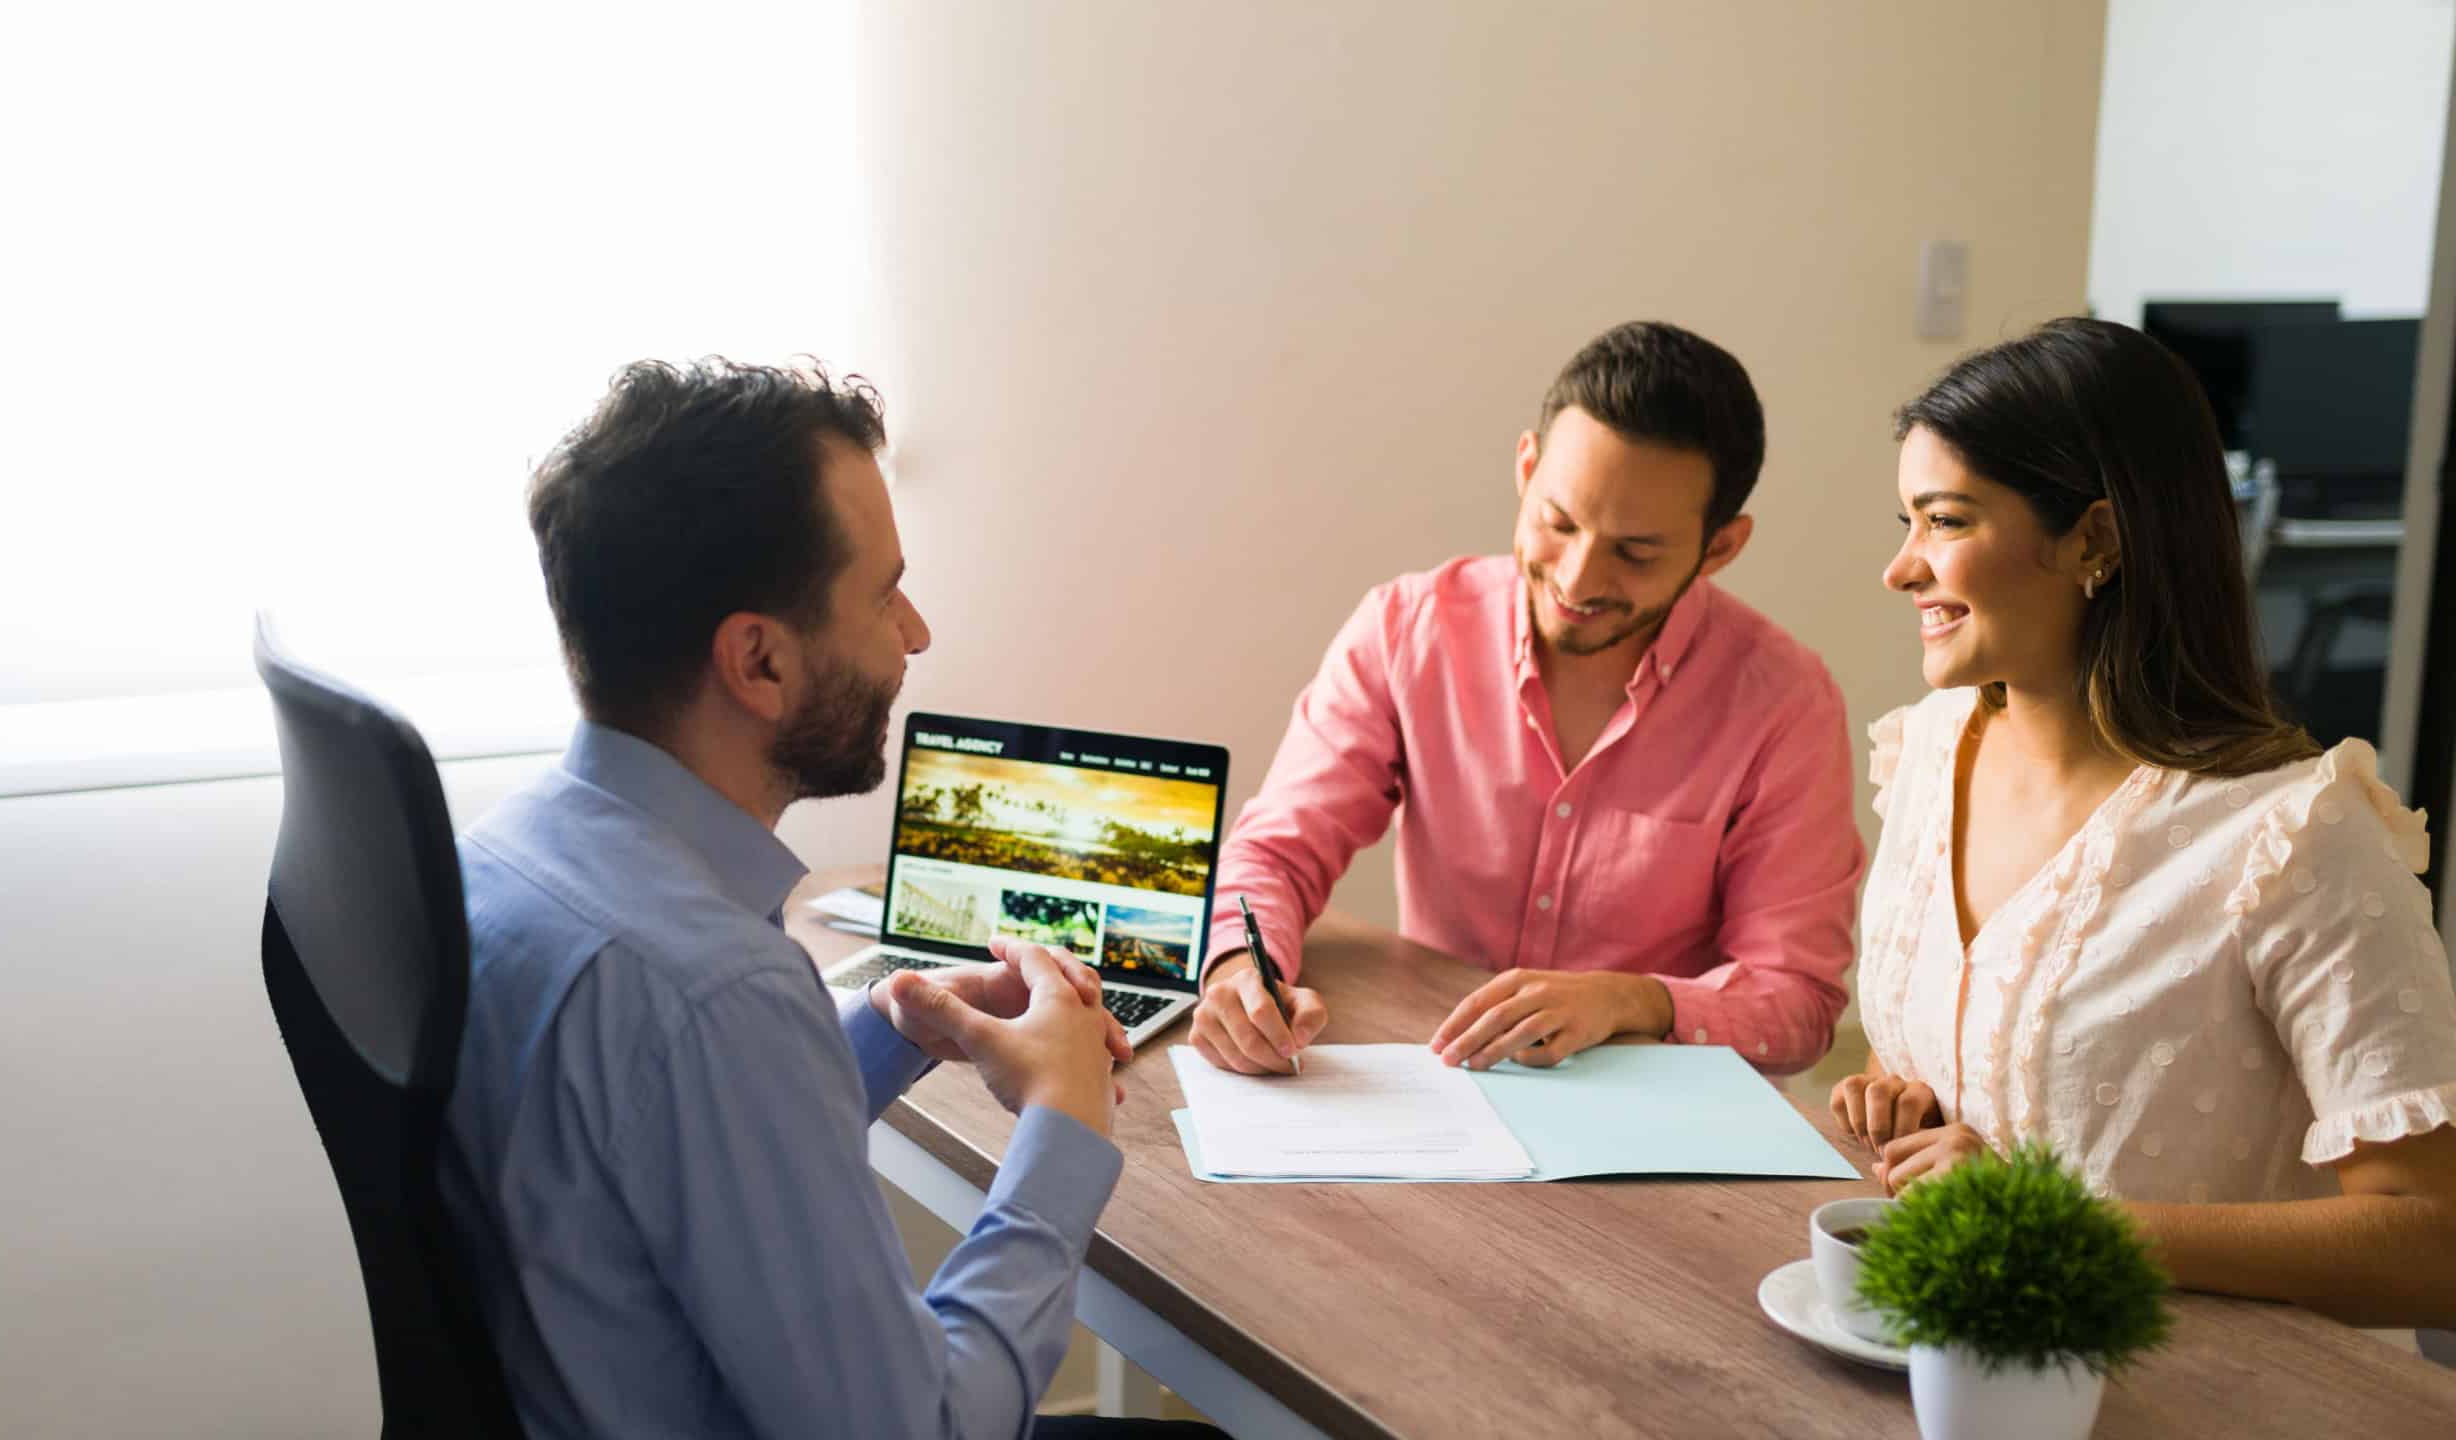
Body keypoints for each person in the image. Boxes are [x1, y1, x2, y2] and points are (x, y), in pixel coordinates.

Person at [439, 358, 1222, 1436]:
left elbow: (676, 1145)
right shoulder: (713, 993)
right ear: (757, 660)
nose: (915, 633)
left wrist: (897, 1025)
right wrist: (1064, 1121)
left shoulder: (510, 857)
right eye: (881, 591)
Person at [1833, 317, 2456, 1326]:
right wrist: (1893, 1088)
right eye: (1906, 521)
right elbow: (1989, 1042)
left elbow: (2435, 1243)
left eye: (1945, 521)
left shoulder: (2293, 837)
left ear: (2094, 537)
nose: (1901, 568)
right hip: (1944, 1358)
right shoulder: (1927, 752)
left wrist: (2060, 1222)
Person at [1190, 321, 1866, 1077]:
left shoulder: (1785, 703)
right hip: (1442, 1081)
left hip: (1646, 1113)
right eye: (1558, 522)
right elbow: (1278, 853)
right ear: (1526, 467)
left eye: (1635, 553)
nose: (1578, 581)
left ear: (1721, 548)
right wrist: (1235, 973)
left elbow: (1798, 1004)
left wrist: (1632, 1001)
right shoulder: (1408, 629)